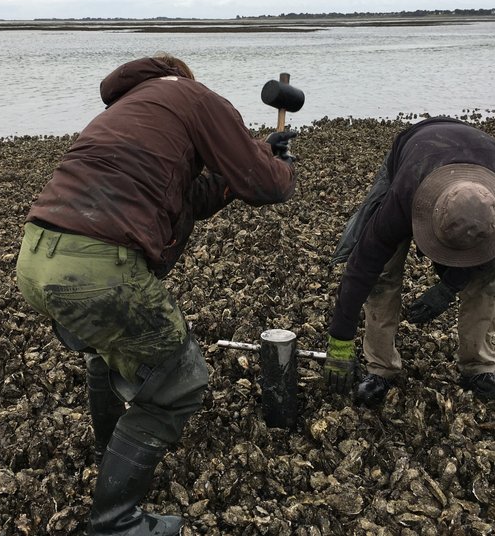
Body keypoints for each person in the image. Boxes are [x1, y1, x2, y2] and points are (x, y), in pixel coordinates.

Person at [15, 53, 296, 536]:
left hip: (36, 258)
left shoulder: (125, 112)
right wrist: (280, 165)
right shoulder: (193, 97)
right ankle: (115, 520)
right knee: (179, 381)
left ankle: (111, 453)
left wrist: (257, 153)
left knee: (106, 352)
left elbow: (189, 194)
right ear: (186, 78)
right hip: (99, 269)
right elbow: (264, 184)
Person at [324, 117, 495, 406]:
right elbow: (363, 266)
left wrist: (448, 287)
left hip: (479, 157)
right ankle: (380, 368)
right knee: (384, 271)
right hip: (414, 154)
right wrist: (339, 341)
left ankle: (478, 368)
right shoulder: (404, 193)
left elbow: (489, 252)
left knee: (489, 273)